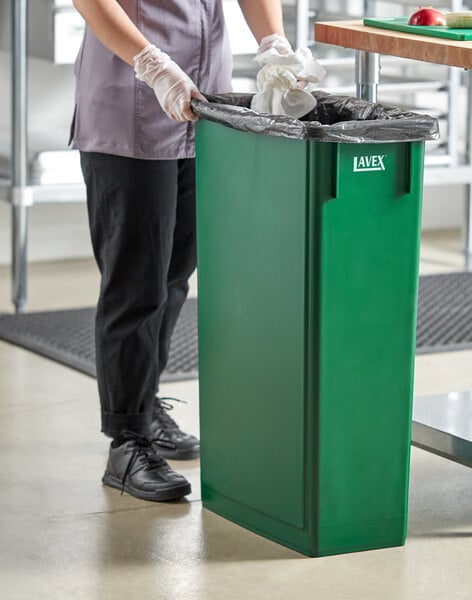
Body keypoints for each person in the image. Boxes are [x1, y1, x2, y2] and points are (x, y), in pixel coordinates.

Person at [71, 0, 298, 502]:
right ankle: (127, 441)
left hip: (202, 105)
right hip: (129, 100)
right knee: (136, 284)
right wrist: (150, 62)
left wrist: (273, 42)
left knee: (175, 272)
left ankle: (145, 403)